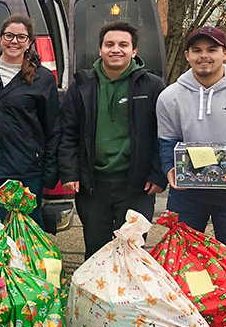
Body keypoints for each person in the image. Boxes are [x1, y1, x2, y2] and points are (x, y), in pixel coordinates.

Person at [157, 26, 226, 273]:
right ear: (187, 56)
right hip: (187, 195)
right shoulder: (170, 97)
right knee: (181, 264)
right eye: (197, 50)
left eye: (212, 49)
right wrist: (169, 168)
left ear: (225, 53)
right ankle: (188, 312)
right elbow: (166, 141)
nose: (204, 55)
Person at [59, 21, 166, 258]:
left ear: (134, 51)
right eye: (109, 44)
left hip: (137, 185)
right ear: (100, 49)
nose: (115, 49)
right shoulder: (82, 86)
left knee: (133, 252)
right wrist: (69, 172)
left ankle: (130, 294)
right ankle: (95, 295)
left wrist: (159, 174)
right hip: (93, 185)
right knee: (96, 251)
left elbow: (164, 134)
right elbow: (68, 131)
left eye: (123, 45)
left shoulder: (153, 86)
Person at [0, 15, 60, 227]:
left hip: (27, 171)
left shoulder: (43, 78)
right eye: (9, 36)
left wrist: (49, 173)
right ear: (1, 38)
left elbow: (53, 127)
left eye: (21, 37)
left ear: (29, 42)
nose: (14, 41)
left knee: (26, 232)